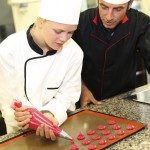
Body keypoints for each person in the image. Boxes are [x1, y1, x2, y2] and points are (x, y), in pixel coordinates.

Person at [0, 0, 83, 141]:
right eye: (58, 31)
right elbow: (8, 99)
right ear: (40, 22)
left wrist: (50, 114)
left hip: (55, 125)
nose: (64, 38)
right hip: (19, 132)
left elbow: (67, 96)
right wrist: (26, 116)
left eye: (70, 32)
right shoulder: (8, 49)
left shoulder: (74, 52)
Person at [72, 0, 150, 107]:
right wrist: (82, 89)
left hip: (125, 100)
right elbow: (67, 66)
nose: (109, 17)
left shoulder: (141, 23)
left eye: (118, 9)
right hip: (85, 100)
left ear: (129, 4)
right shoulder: (81, 22)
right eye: (104, 7)